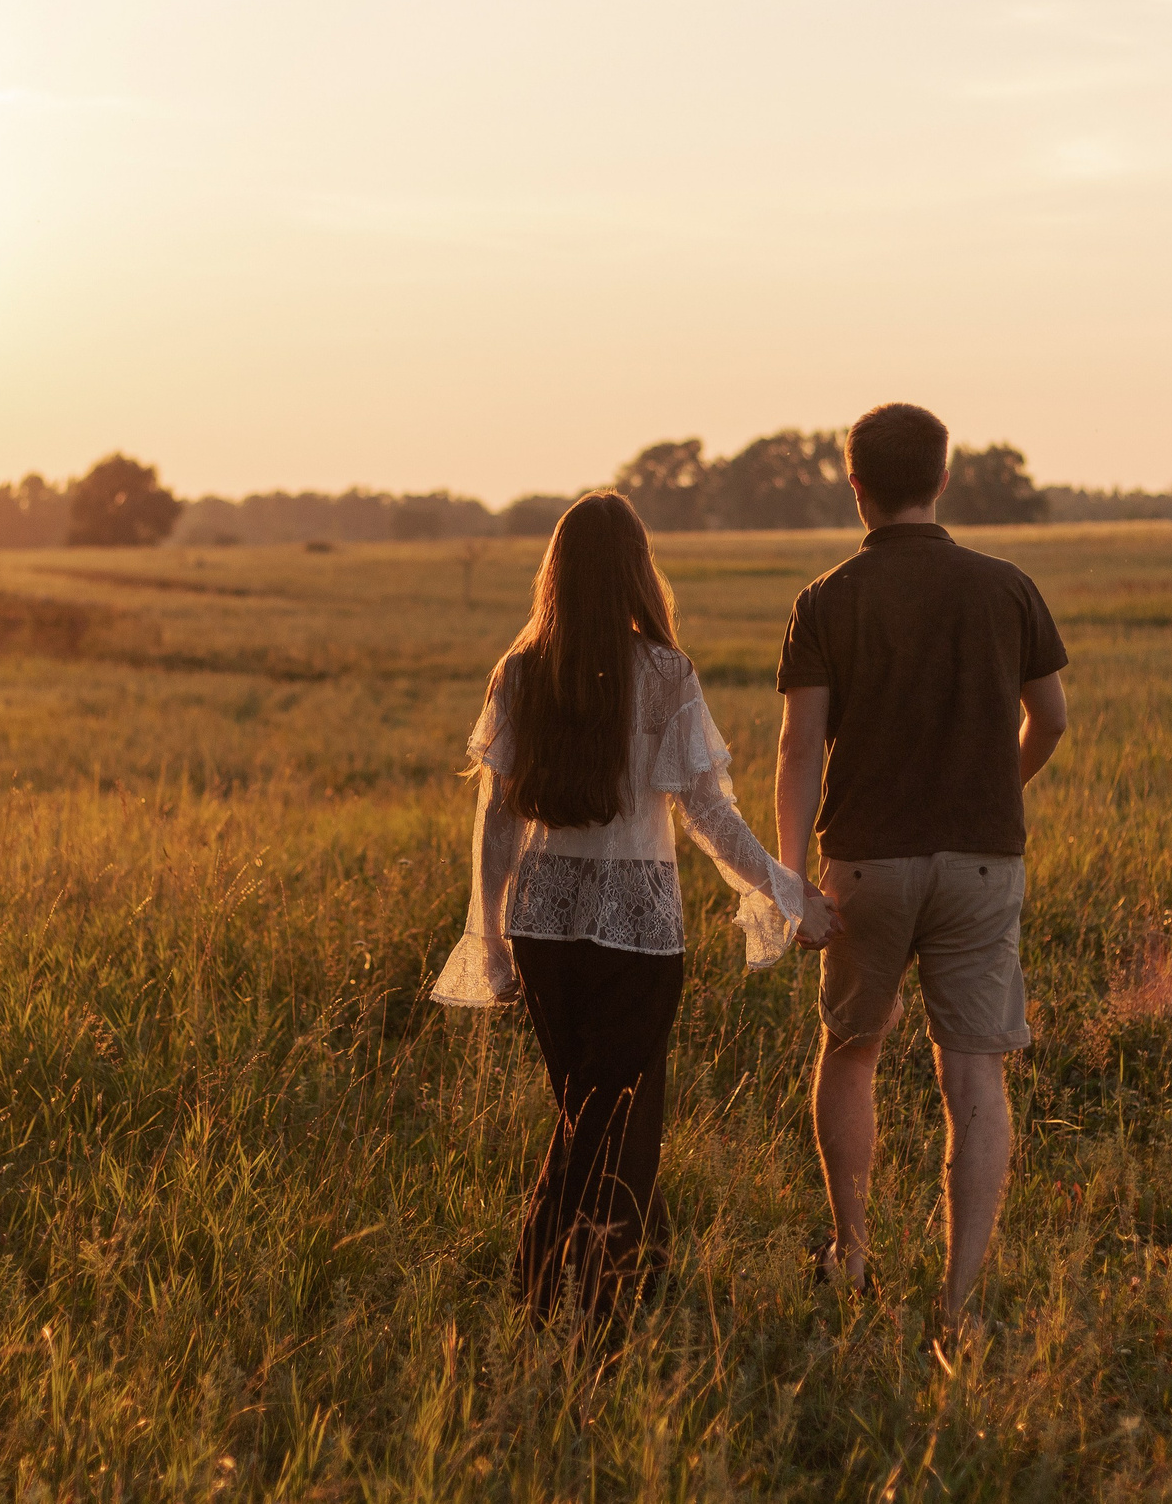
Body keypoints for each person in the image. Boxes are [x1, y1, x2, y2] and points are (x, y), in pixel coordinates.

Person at [432, 490, 840, 1323]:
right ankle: (566, 1297)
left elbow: (497, 823)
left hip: (542, 926)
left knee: (590, 1112)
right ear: (636, 572)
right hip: (638, 932)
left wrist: (494, 935)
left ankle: (613, 1279)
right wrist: (788, 890)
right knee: (614, 1119)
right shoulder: (662, 672)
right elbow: (709, 814)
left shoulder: (522, 671)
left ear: (556, 573)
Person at [774, 402, 1069, 1349]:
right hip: (984, 860)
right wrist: (998, 786)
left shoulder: (825, 598)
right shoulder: (1007, 586)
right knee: (973, 1070)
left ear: (854, 485)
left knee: (851, 1048)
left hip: (865, 862)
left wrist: (791, 880)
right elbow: (1053, 718)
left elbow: (799, 747)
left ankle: (853, 1251)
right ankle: (960, 1302)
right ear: (944, 477)